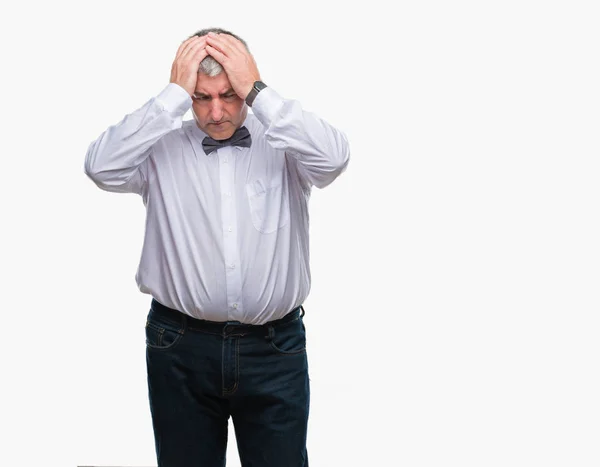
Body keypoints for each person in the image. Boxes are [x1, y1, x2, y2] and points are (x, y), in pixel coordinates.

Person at [84, 27, 350, 467]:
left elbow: (334, 159)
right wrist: (170, 96)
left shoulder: (283, 143)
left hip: (274, 349)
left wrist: (259, 92)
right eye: (200, 98)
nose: (216, 112)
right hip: (180, 346)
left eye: (229, 95)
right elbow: (100, 168)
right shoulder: (159, 148)